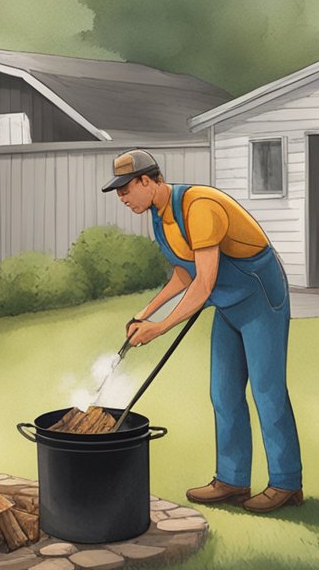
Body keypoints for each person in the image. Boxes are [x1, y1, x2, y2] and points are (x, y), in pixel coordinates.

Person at [103, 148, 303, 513]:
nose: (122, 198)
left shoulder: (199, 207)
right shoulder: (159, 216)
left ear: (148, 180)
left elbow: (204, 281)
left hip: (259, 297)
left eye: (126, 189)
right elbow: (184, 272)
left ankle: (286, 483)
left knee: (267, 391)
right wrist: (144, 312)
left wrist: (159, 327)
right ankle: (232, 479)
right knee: (223, 392)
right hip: (228, 304)